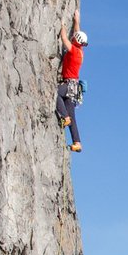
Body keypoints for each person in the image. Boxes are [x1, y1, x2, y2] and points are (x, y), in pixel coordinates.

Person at [56, 9, 87, 152]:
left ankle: (64, 117)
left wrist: (61, 24)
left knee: (55, 94)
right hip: (74, 90)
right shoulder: (80, 51)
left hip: (69, 85)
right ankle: (77, 142)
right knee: (73, 117)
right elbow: (77, 32)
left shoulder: (74, 50)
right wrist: (77, 21)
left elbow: (64, 39)